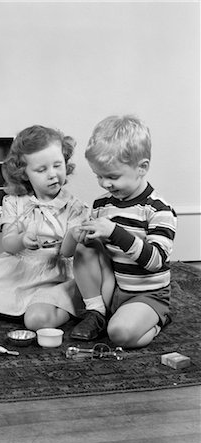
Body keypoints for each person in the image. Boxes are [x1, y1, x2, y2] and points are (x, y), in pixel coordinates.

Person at [0, 125, 90, 331]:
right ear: (24, 173)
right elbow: (8, 244)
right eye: (42, 170)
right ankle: (3, 301)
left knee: (36, 321)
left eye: (57, 165)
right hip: (19, 269)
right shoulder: (14, 202)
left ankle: (59, 306)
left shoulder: (75, 207)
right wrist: (23, 239)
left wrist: (72, 236)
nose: (53, 174)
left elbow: (68, 252)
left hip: (54, 274)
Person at [69, 115, 177, 348]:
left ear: (142, 168)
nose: (105, 183)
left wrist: (114, 231)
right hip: (113, 287)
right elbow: (84, 252)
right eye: (99, 176)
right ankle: (96, 311)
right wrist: (83, 235)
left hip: (147, 295)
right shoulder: (101, 205)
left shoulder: (158, 210)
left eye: (112, 176)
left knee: (119, 334)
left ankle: (158, 320)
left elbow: (156, 261)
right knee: (84, 246)